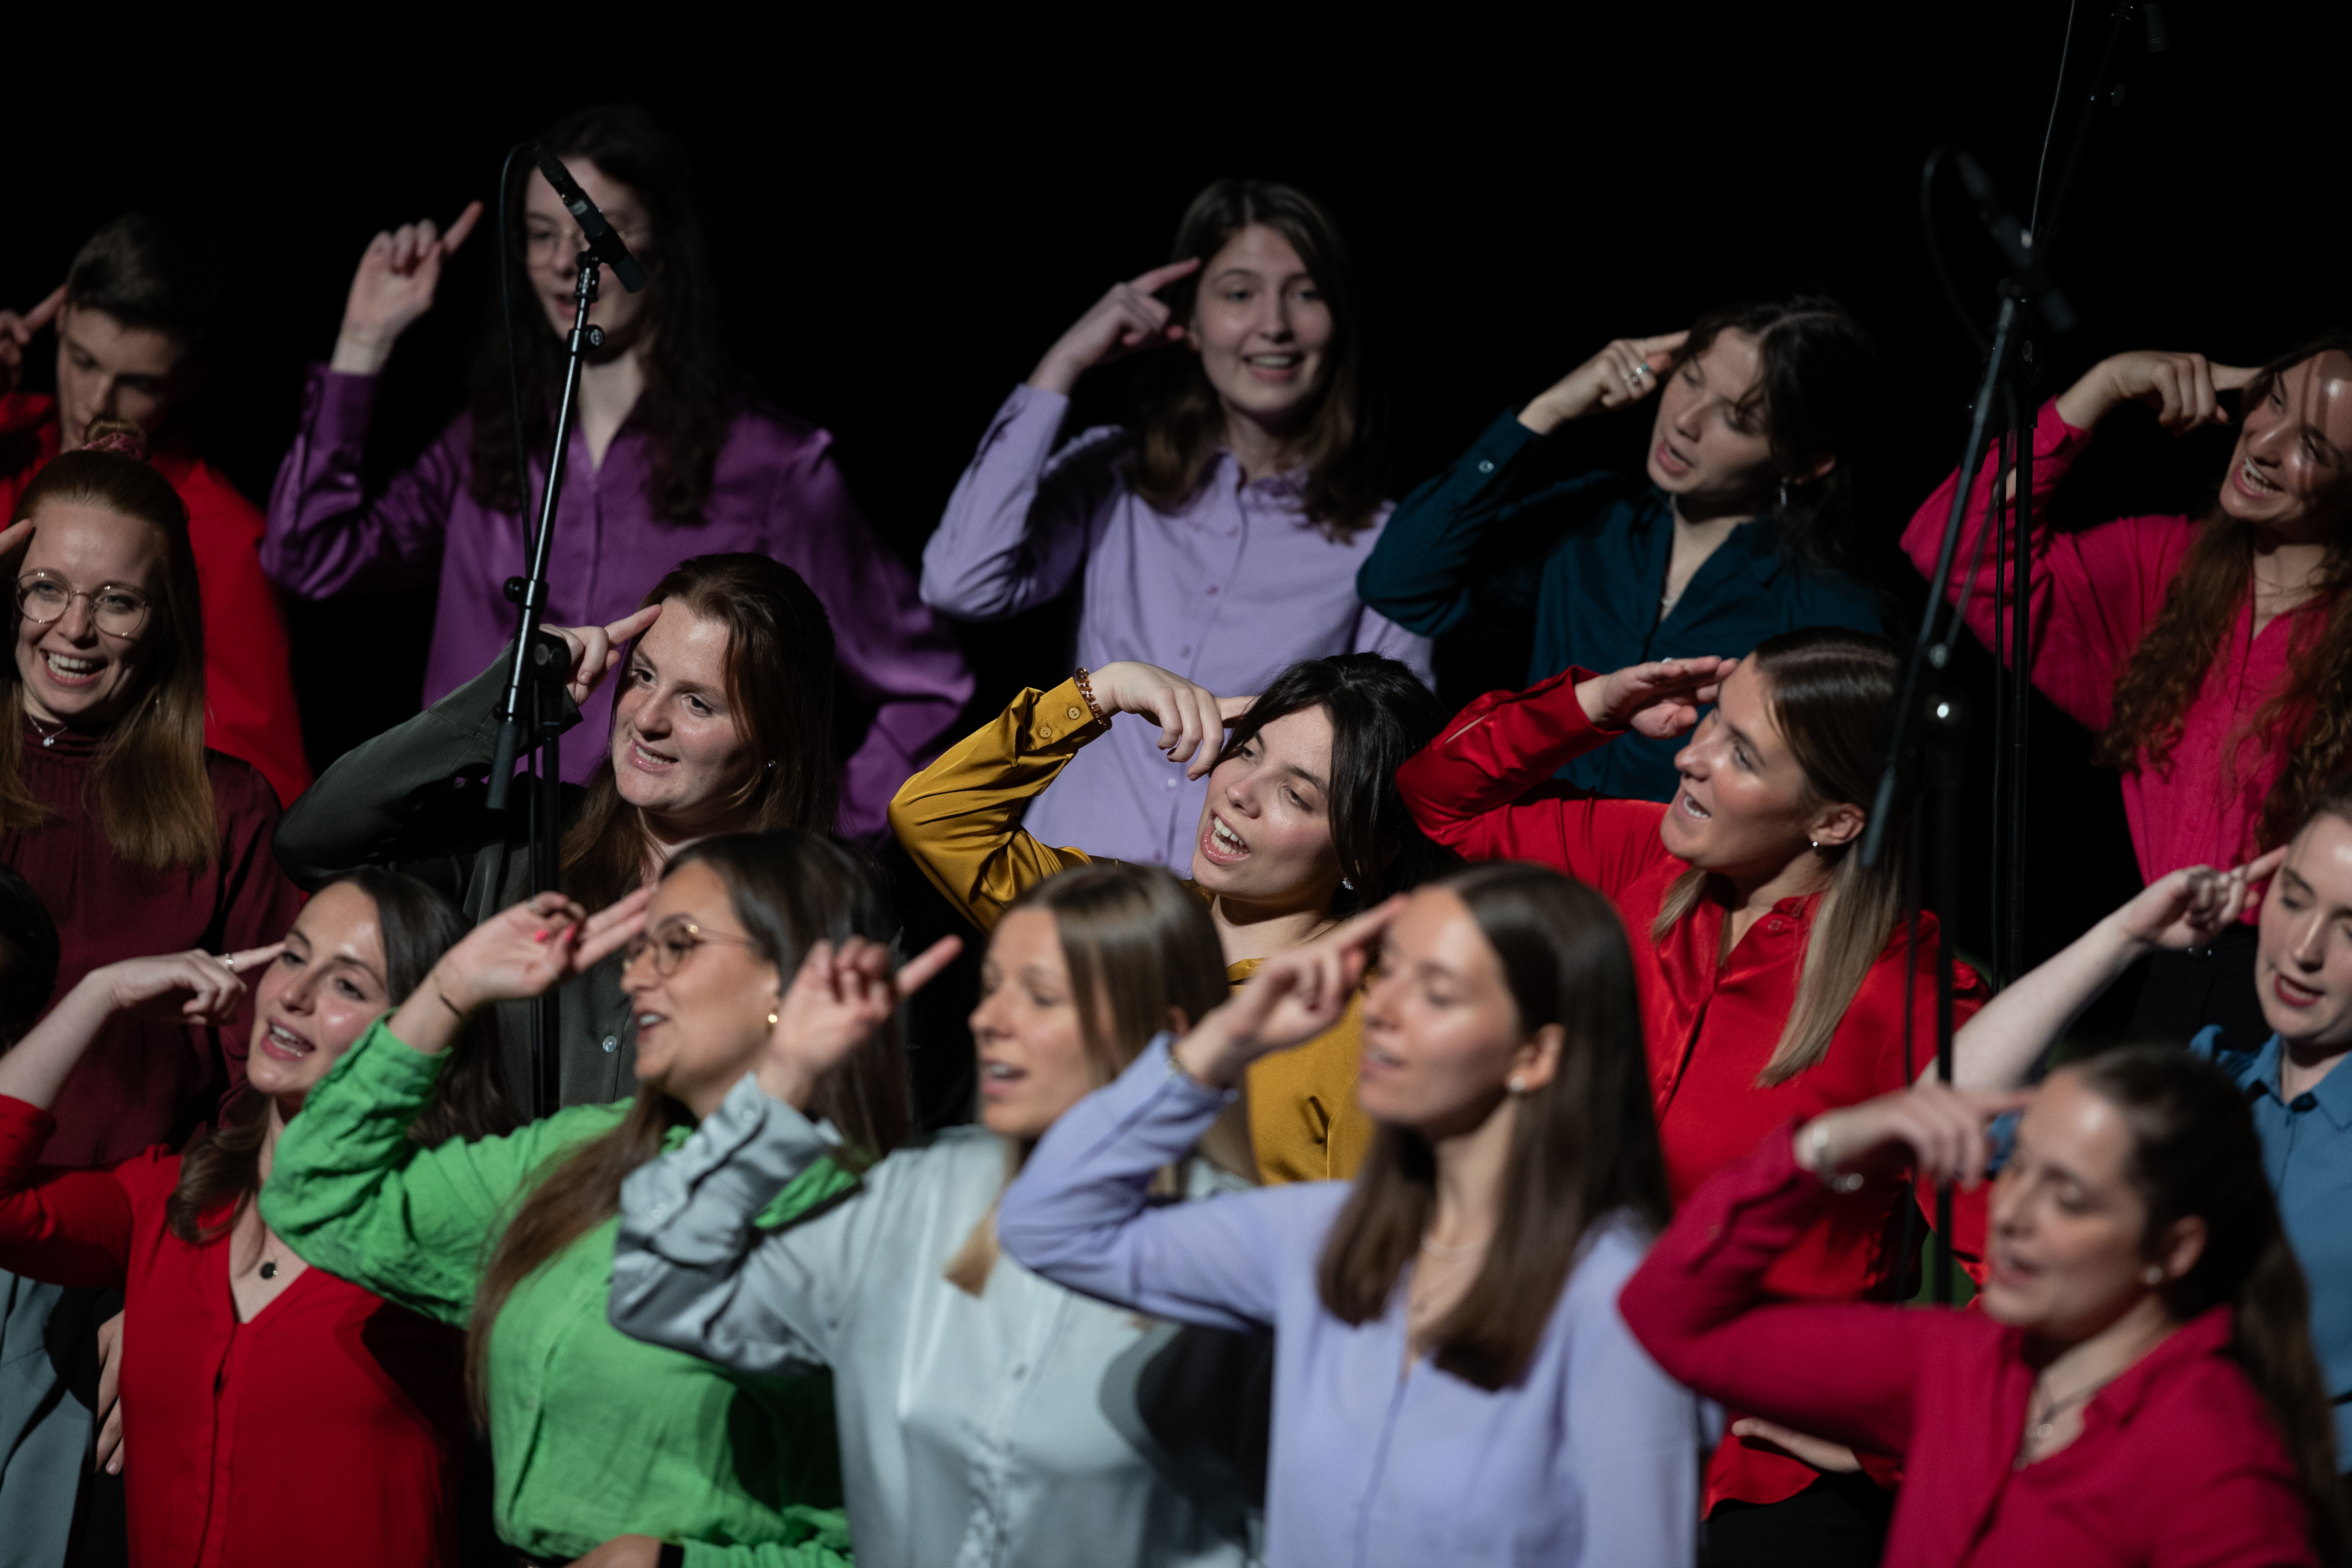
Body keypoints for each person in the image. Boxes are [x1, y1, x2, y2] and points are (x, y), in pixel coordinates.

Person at [1395, 629, 1984, 1559]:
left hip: (1747, 1488)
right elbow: (1439, 802)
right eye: (1712, 721)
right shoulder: (1644, 865)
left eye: (1740, 754)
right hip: (1553, 1423)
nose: (1690, 758)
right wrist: (1597, 707)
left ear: (1835, 819)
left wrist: (1887, 1431)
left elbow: (2038, 1262)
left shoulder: (1904, 998)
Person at [262, 102, 969, 832]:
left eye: (600, 231)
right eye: (541, 235)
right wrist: (363, 340)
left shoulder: (773, 463)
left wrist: (810, 841)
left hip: (647, 868)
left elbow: (926, 687)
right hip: (467, 854)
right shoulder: (490, 438)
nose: (567, 260)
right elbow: (310, 555)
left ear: (663, 245)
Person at [990, 864, 1699, 1565]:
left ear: (1536, 1052)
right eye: (1386, 972)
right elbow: (1049, 1224)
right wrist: (1225, 1042)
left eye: (1436, 992)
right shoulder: (1325, 1234)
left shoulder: (1611, 1298)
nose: (1382, 1007)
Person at [260, 833, 923, 1567]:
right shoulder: (576, 1152)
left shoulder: (851, 1218)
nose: (636, 976)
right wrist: (454, 987)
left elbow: (901, 1543)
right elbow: (311, 1194)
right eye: (639, 948)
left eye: (677, 944)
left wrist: (668, 1565)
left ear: (788, 978)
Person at [608, 861, 1265, 1567]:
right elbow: (656, 1287)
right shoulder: (912, 1197)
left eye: (1039, 997)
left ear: (1165, 1037)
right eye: (990, 989)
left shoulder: (1242, 1257)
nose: (987, 1020)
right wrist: (784, 1078)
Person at [1621, 1053, 2347, 1567]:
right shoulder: (1963, 1359)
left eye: (2068, 1196)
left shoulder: (2217, 1466)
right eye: (2018, 1164)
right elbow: (1671, 1317)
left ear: (2173, 1247)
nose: (2013, 1212)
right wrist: (1834, 1141)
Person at [0, 871, 513, 1568]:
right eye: (294, 956)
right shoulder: (170, 1197)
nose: (295, 994)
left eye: (349, 985)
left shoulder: (440, 1219)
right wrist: (103, 992)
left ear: (418, 1035)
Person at [921, 177, 1433, 868]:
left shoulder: (1388, 540)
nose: (1274, 324)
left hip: (1234, 915)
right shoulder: (1112, 472)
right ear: (1189, 321)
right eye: (1239, 293)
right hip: (1069, 888)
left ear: (1340, 319)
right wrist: (1063, 363)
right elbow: (961, 585)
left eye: (1306, 292)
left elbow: (1386, 753)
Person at [1905, 332, 2352, 1047]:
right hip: (2164, 975)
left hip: (2309, 993)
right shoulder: (2163, 568)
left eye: (2312, 446)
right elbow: (1957, 550)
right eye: (2268, 403)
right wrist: (2104, 386)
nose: (2263, 444)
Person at [276, 552, 839, 1111]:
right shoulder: (518, 838)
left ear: (775, 741)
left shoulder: (824, 915)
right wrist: (504, 705)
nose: (647, 718)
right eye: (642, 677)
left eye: (697, 702)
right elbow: (314, 846)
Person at [890, 653, 1447, 1182]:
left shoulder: (1363, 1023)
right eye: (1248, 752)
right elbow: (932, 818)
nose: (1240, 792)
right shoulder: (1130, 924)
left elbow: (1361, 1253)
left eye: (1296, 796)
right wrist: (1102, 692)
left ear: (1367, 854)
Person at [1945, 780, 2352, 1483]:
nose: (2304, 949)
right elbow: (1954, 1104)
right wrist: (2124, 936)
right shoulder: (2202, 1084)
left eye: (2351, 927)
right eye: (2291, 899)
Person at [1357, 300, 1882, 802]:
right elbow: (1400, 585)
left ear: (1804, 461)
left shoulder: (1826, 614)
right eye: (1691, 378)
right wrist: (1548, 410)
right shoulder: (1593, 522)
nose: (1685, 420)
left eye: (1736, 418)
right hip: (1525, 882)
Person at [0, 216, 311, 808]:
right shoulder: (9, 445)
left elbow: (262, 794)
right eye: (84, 361)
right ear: (60, 322)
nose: (98, 401)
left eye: (137, 382)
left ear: (190, 380)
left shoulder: (223, 537)